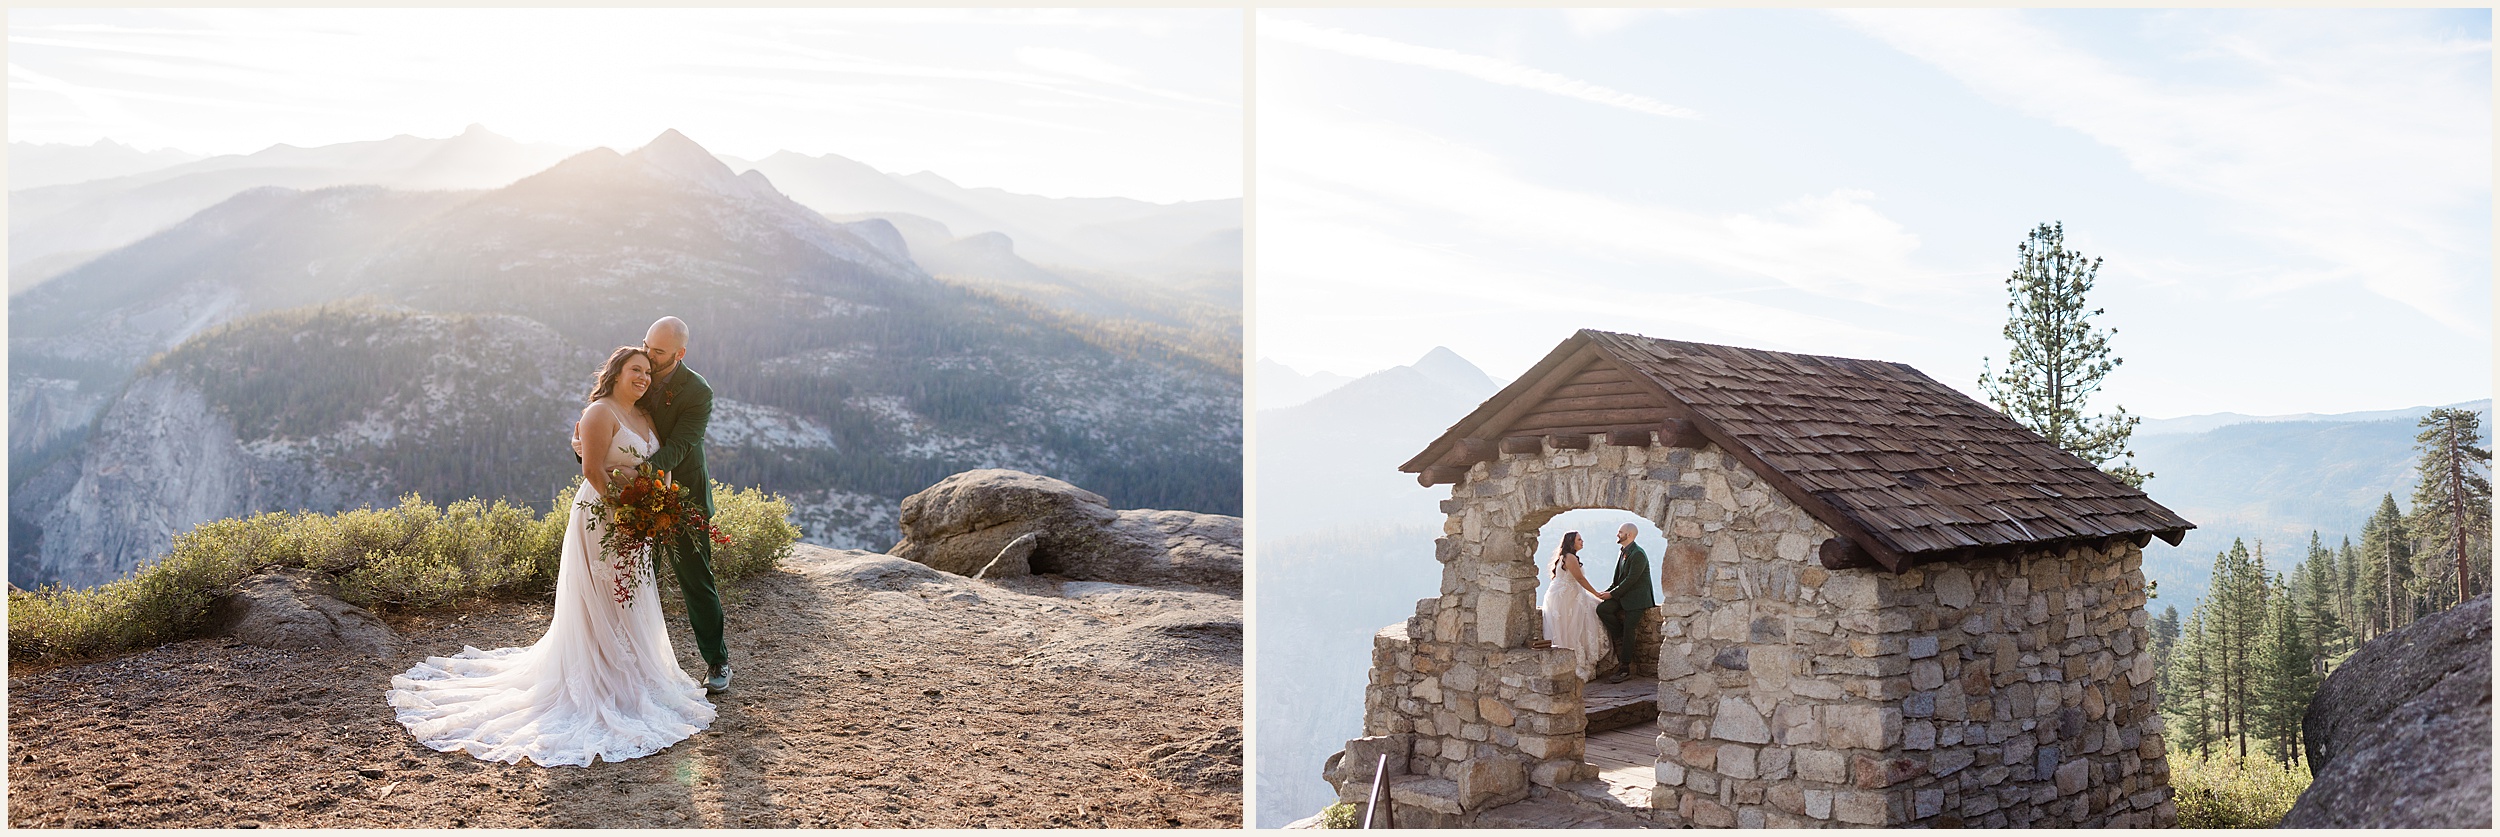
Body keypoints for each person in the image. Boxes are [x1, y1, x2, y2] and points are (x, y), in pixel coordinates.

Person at [385, 346, 715, 766]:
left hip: (640, 522)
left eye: (648, 372)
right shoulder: (600, 413)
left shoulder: (646, 416)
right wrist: (625, 509)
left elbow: (661, 462)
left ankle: (632, 676)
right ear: (615, 373)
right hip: (602, 516)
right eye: (636, 369)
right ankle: (598, 677)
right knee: (600, 594)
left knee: (629, 593)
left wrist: (659, 505)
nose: (644, 378)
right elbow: (593, 470)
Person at [634, 316, 731, 694]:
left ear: (680, 353)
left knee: (696, 580)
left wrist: (638, 470)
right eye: (646, 344)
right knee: (639, 577)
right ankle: (634, 661)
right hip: (637, 498)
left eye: (658, 351)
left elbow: (680, 445)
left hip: (683, 496)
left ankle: (717, 660)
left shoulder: (697, 391)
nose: (648, 354)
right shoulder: (635, 368)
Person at [1541, 531, 1611, 680]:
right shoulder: (1570, 557)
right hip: (1569, 598)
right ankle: (1576, 662)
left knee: (1569, 630)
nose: (1582, 541)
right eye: (1579, 539)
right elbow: (1579, 578)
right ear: (1571, 542)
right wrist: (1596, 594)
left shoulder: (1564, 557)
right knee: (1575, 628)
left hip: (1565, 596)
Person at [1593, 522, 1657, 683]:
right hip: (1623, 596)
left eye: (1620, 532)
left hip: (1637, 599)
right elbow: (1618, 579)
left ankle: (1625, 668)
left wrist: (1612, 594)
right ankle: (1620, 636)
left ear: (1628, 535)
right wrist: (1606, 593)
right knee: (1603, 610)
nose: (1617, 534)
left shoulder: (1638, 554)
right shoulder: (1623, 552)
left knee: (1630, 628)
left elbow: (1630, 581)